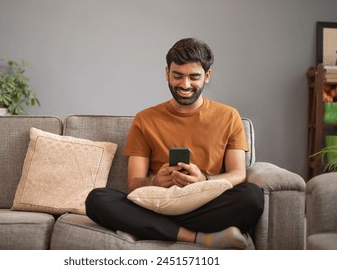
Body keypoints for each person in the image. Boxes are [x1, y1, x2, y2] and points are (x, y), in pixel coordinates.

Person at [86, 38, 264, 249]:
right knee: (97, 199)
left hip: (205, 204)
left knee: (252, 196)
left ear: (207, 76)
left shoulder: (229, 116)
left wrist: (204, 180)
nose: (185, 85)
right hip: (157, 204)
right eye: (177, 76)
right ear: (167, 73)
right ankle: (197, 237)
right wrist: (154, 181)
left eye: (194, 77)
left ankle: (142, 227)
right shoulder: (145, 119)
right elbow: (133, 184)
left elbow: (238, 174)